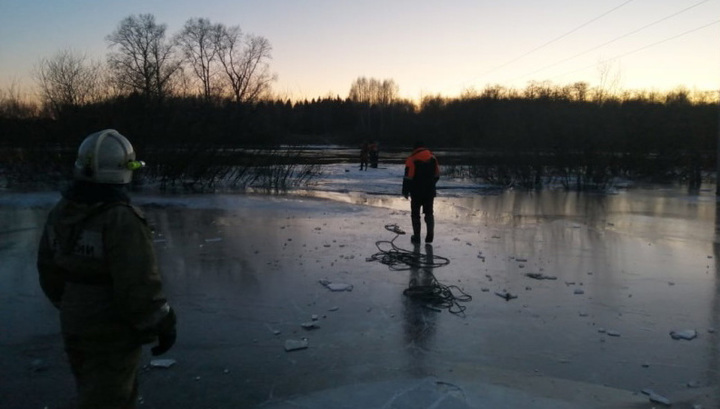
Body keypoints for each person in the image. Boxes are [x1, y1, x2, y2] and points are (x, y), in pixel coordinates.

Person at [37, 129, 176, 409]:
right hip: (111, 328)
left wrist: (72, 304)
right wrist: (162, 322)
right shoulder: (121, 219)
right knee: (111, 398)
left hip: (74, 320)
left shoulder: (62, 212)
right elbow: (138, 283)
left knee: (89, 389)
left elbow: (48, 269)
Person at [402, 141, 440, 244]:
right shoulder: (433, 157)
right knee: (429, 213)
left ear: (414, 148)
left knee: (415, 214)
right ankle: (430, 235)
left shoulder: (412, 159)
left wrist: (405, 191)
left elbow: (408, 177)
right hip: (429, 191)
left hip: (416, 192)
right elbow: (437, 175)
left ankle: (417, 237)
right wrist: (431, 184)